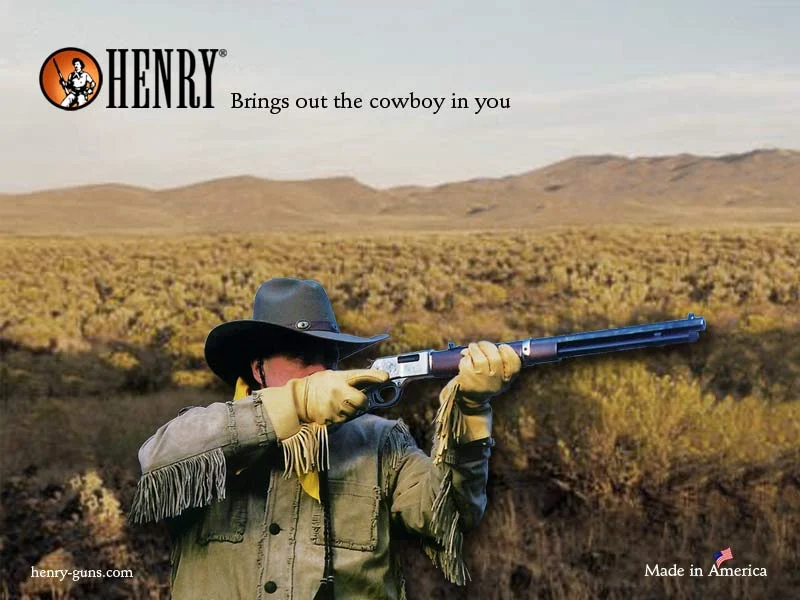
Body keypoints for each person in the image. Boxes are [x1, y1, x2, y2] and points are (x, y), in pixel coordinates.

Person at [131, 278, 521, 599]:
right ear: (258, 369)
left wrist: (469, 410)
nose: (318, 370)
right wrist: (296, 404)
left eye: (327, 357)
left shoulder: (384, 444)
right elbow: (157, 461)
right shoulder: (207, 433)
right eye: (300, 356)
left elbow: (451, 518)